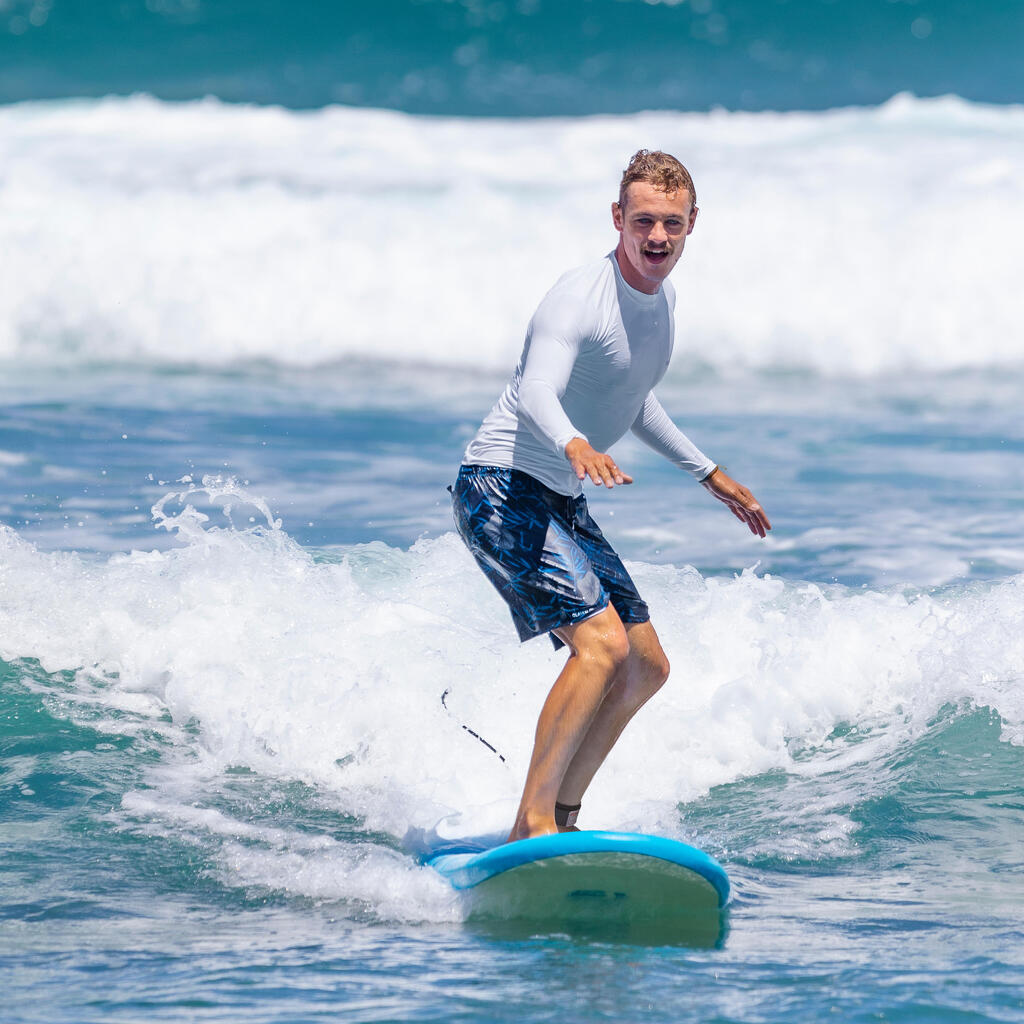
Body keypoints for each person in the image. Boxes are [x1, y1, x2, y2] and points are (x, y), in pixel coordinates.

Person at [451, 149, 771, 843]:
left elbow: (631, 396)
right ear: (618, 218)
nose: (657, 237)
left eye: (673, 224)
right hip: (500, 488)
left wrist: (705, 471)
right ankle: (529, 824)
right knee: (600, 648)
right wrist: (573, 444)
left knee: (646, 664)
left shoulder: (660, 301)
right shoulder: (579, 296)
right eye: (644, 220)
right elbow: (538, 388)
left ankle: (563, 816)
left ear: (692, 226)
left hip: (558, 495)